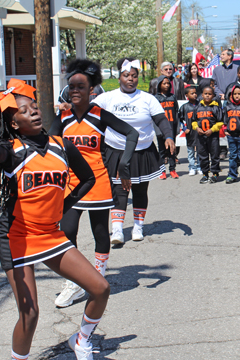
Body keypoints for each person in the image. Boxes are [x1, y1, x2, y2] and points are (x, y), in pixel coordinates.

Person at [0, 78, 109, 360]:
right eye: (25, 111)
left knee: (100, 288)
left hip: (49, 233)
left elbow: (87, 179)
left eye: (35, 107)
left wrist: (63, 207)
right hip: (17, 236)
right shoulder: (12, 151)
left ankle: (82, 340)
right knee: (30, 313)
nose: (34, 112)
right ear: (14, 124)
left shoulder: (61, 146)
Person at [49, 59, 139, 307]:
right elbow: (48, 146)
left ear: (92, 90)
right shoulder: (63, 117)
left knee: (100, 233)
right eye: (71, 86)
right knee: (66, 233)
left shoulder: (100, 115)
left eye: (80, 86)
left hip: (97, 182)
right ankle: (74, 282)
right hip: (70, 184)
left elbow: (132, 133)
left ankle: (97, 278)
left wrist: (123, 165)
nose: (75, 91)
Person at [94, 58, 175, 244]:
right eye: (126, 75)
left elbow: (161, 120)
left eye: (134, 76)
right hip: (116, 151)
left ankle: (138, 227)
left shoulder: (147, 98)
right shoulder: (107, 98)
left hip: (142, 151)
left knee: (139, 191)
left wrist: (169, 136)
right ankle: (117, 231)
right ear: (119, 77)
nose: (130, 79)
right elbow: (88, 112)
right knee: (119, 191)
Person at [192, 85, 223, 184]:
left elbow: (220, 122)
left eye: (210, 94)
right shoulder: (198, 107)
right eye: (205, 94)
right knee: (203, 156)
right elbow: (193, 121)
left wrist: (212, 129)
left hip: (212, 136)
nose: (207, 96)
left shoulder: (216, 108)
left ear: (213, 96)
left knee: (214, 155)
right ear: (202, 95)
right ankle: (205, 174)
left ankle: (215, 173)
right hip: (201, 136)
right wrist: (197, 128)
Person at [154, 75, 179, 179]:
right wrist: (157, 130)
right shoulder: (156, 98)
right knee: (162, 151)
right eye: (164, 83)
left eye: (168, 83)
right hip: (161, 129)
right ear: (159, 85)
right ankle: (162, 171)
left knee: (172, 150)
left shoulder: (172, 97)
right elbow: (154, 116)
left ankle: (172, 170)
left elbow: (176, 113)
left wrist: (177, 128)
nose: (166, 85)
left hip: (171, 127)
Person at [179, 86, 201, 176]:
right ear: (186, 95)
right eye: (192, 93)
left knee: (200, 151)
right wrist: (184, 129)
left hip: (200, 132)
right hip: (190, 133)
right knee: (190, 151)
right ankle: (192, 167)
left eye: (195, 93)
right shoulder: (184, 107)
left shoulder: (201, 105)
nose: (195, 95)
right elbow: (179, 119)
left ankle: (199, 166)